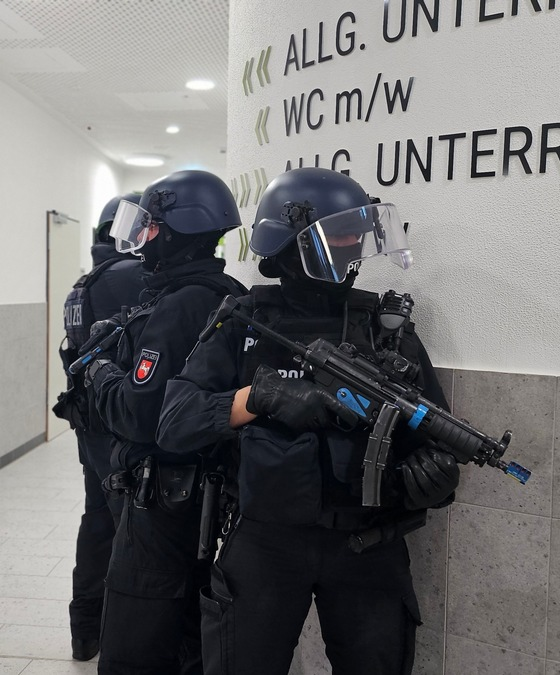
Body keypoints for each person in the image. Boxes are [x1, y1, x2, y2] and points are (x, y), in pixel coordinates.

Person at [158, 167, 460, 674]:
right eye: (337, 239)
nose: (353, 252)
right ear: (289, 242)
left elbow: (435, 431)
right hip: (264, 541)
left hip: (368, 541)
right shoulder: (243, 322)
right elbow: (175, 423)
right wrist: (260, 396)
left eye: (355, 238)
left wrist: (432, 478)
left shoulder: (384, 330)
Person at [86, 170, 247, 675]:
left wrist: (99, 371)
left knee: (136, 632)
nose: (144, 240)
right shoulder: (229, 293)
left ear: (177, 231)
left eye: (151, 227)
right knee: (186, 630)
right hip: (204, 495)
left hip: (163, 499)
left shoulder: (180, 305)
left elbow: (140, 415)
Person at [52, 193, 148, 662]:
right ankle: (121, 640)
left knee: (96, 523)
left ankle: (85, 631)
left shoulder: (82, 284)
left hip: (90, 427)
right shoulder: (130, 277)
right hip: (117, 425)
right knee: (130, 528)